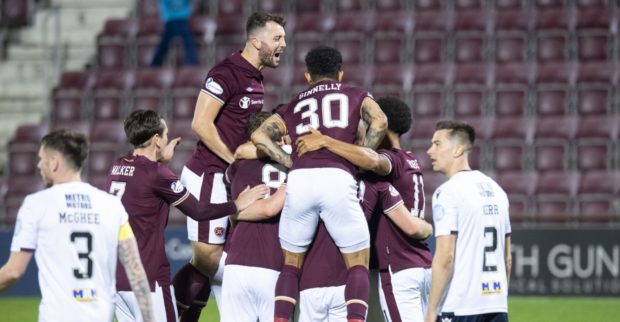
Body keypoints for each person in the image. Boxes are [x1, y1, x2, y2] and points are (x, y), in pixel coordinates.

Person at [251, 45, 388, 322]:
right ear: (340, 73)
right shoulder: (355, 94)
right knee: (357, 263)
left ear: (307, 77)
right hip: (338, 176)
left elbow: (260, 136)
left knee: (291, 264)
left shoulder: (293, 105)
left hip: (300, 180)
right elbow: (380, 121)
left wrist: (291, 163)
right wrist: (362, 160)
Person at [172, 11, 286, 321]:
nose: (283, 44)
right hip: (208, 173)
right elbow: (200, 123)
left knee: (227, 254)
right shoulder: (226, 73)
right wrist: (232, 160)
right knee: (208, 258)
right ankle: (174, 310)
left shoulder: (255, 78)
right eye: (277, 38)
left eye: (283, 38)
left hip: (228, 177)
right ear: (255, 40)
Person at [106, 110, 268, 322]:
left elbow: (142, 182)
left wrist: (159, 159)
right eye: (164, 135)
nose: (167, 138)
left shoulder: (118, 166)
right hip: (148, 278)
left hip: (117, 279)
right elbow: (199, 211)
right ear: (156, 140)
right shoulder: (157, 174)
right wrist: (236, 204)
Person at [296, 96, 434, 322]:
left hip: (398, 267)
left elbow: (370, 161)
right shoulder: (410, 159)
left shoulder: (389, 162)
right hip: (422, 262)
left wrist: (326, 142)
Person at [0, 129, 154, 322]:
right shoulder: (111, 205)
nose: (39, 165)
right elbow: (136, 272)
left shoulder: (36, 204)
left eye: (42, 159)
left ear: (54, 162)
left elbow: (13, 271)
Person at [424, 120, 512, 322]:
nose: (430, 151)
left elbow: (445, 257)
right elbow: (507, 259)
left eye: (437, 144)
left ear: (458, 149)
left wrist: (431, 310)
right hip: (496, 305)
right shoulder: (498, 191)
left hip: (460, 307)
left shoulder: (447, 192)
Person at [219, 112, 288, 322]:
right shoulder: (298, 164)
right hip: (274, 262)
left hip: (236, 263)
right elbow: (267, 210)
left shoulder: (238, 167)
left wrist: (236, 211)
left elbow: (233, 212)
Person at [151, 0, 199, 66]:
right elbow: (163, 8)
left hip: (183, 20)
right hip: (170, 21)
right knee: (163, 44)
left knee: (188, 42)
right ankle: (154, 66)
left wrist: (188, 11)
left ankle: (193, 65)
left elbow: (193, 4)